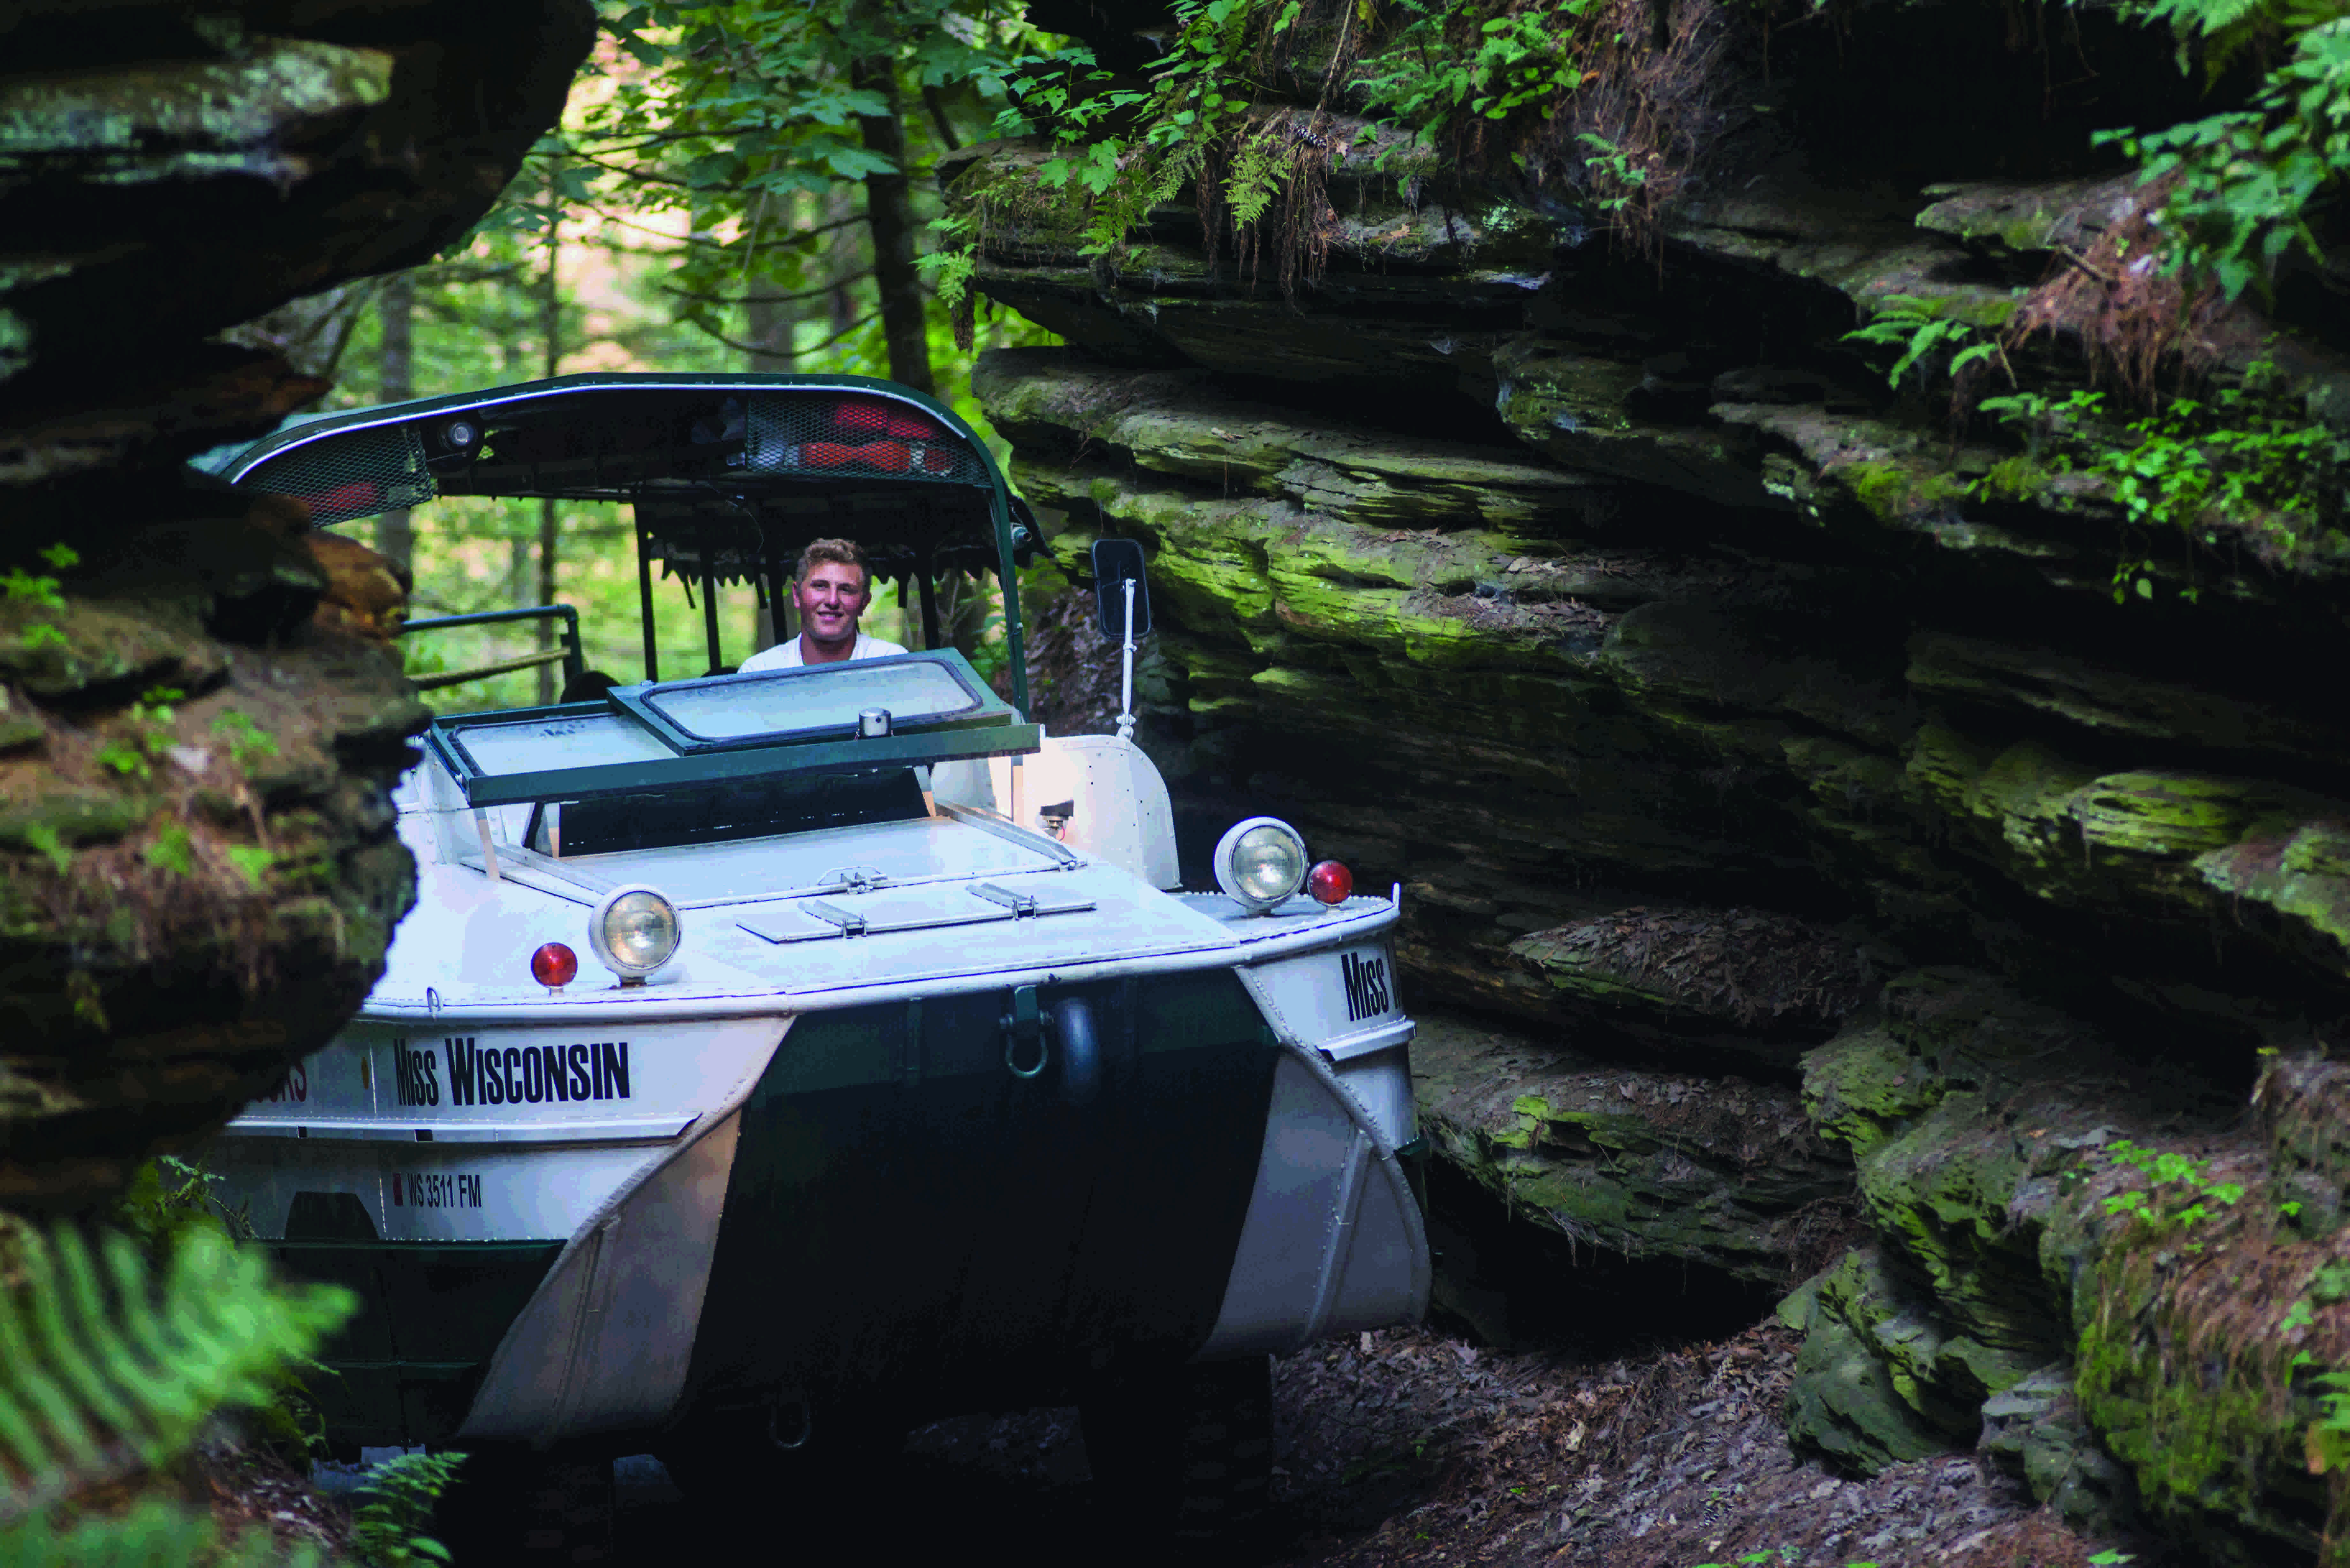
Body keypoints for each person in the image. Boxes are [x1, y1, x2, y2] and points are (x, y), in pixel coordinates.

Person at [737, 538, 907, 672]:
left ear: (864, 603)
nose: (832, 601)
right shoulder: (761, 672)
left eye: (846, 590)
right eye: (820, 586)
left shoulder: (892, 664)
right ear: (797, 596)